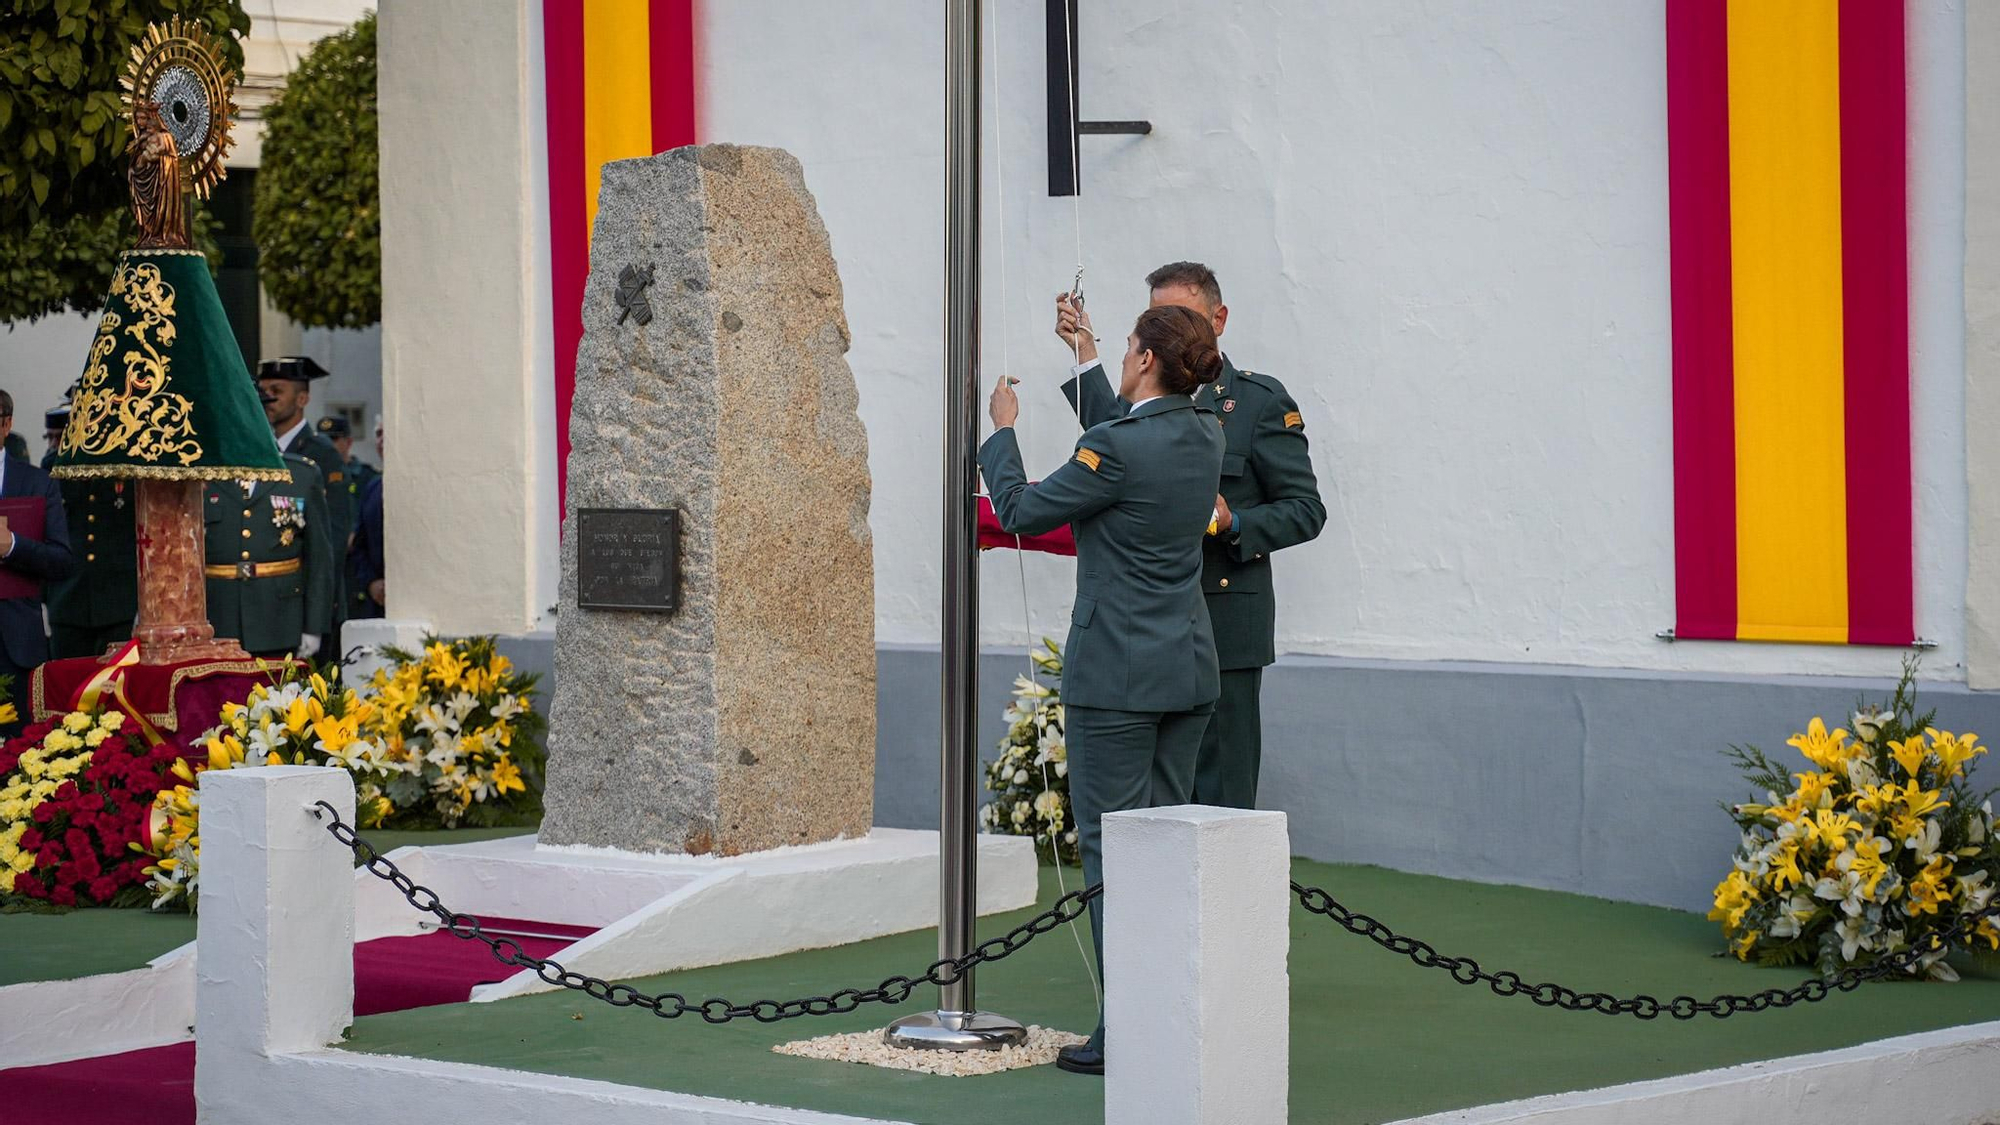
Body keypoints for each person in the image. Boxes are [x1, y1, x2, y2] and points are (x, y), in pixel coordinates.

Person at [980, 304, 1226, 1077]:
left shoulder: (1118, 446)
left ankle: (1125, 1031)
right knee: (1163, 850)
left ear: (1147, 360)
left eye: (1125, 349)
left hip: (1117, 680)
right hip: (1186, 670)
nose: (1121, 357)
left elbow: (1020, 509)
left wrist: (1002, 432)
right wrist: (1085, 354)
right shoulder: (1206, 431)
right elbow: (1129, 435)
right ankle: (1170, 1016)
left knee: (1113, 858)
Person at [1057, 262, 1326, 810]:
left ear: (1218, 320)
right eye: (1156, 317)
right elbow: (1114, 435)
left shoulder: (1257, 401)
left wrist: (1234, 522)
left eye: (1182, 315)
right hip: (1145, 635)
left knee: (1220, 803)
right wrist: (1086, 352)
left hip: (1222, 628)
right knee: (1147, 814)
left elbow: (1305, 510)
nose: (1166, 329)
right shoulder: (1147, 396)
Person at [203, 451, 334, 661]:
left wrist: (314, 626)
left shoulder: (300, 474)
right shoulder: (203, 472)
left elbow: (319, 558)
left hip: (281, 619)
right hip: (219, 615)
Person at [256, 357, 350, 645]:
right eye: (263, 390)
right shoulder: (259, 450)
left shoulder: (321, 454)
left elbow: (334, 534)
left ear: (302, 399)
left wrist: (319, 602)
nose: (268, 398)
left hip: (306, 598)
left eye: (277, 390)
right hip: (269, 599)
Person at [0, 389, 75, 735]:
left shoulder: (36, 482)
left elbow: (61, 561)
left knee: (15, 748)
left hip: (15, 642)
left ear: (6, 425)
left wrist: (12, 546)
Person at [47, 473, 138, 660]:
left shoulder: (128, 467)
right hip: (67, 598)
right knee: (67, 674)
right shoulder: (57, 467)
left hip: (118, 601)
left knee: (115, 674)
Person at [349, 417, 385, 618]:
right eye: (379, 434)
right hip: (378, 601)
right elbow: (359, 545)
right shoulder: (373, 487)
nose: (382, 440)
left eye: (388, 434)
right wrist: (371, 582)